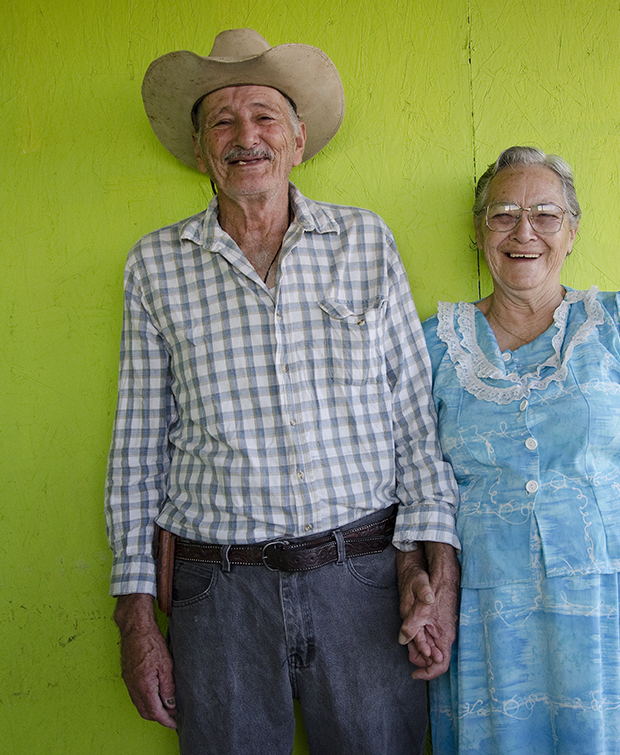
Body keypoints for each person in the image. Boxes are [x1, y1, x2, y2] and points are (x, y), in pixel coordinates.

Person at [105, 29, 460, 755]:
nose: (246, 138)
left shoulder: (363, 241)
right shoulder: (155, 265)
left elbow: (413, 422)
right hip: (218, 593)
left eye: (265, 117)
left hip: (362, 579)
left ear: (297, 139)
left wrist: (436, 572)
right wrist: (136, 618)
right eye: (223, 122)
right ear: (201, 150)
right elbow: (135, 453)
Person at [422, 146, 620, 754]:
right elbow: (418, 490)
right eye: (503, 215)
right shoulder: (434, 349)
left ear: (572, 232)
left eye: (546, 215)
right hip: (489, 619)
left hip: (617, 612)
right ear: (478, 231)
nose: (524, 232)